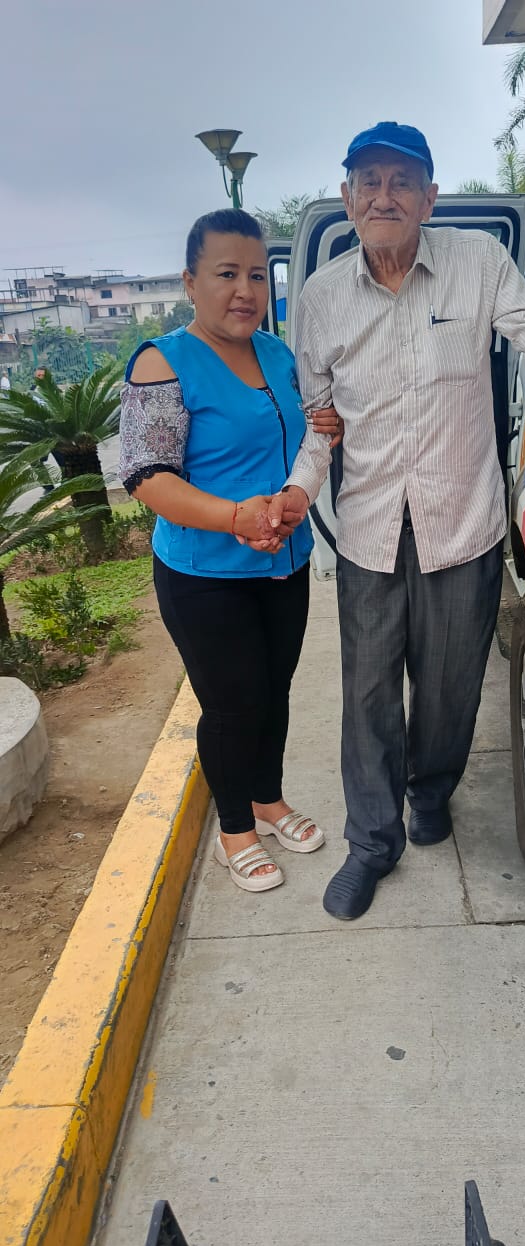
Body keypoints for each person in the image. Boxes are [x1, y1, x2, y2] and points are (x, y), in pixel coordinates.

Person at [270, 120, 525, 921]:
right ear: (348, 197)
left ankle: (431, 790)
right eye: (369, 182)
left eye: (401, 182)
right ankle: (372, 842)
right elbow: (321, 421)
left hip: (460, 522)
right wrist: (298, 490)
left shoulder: (478, 263)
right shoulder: (320, 298)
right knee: (367, 694)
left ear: (429, 197)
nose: (384, 196)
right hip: (367, 527)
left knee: (450, 688)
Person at [118, 207, 342, 894]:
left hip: (283, 561)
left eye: (256, 275)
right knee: (231, 703)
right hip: (204, 574)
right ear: (191, 282)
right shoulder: (164, 360)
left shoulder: (277, 355)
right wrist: (235, 517)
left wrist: (300, 482)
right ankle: (235, 830)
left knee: (273, 691)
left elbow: (309, 432)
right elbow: (146, 476)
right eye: (225, 274)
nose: (245, 290)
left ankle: (268, 801)